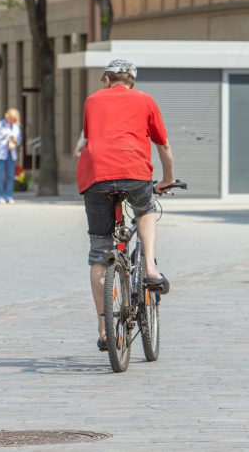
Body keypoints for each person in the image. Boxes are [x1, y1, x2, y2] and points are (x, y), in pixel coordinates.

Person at [77, 59, 175, 352]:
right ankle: (149, 269)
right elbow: (163, 146)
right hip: (134, 172)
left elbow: (91, 138)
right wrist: (167, 179)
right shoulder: (145, 100)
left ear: (106, 79)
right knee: (145, 210)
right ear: (132, 81)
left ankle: (104, 327)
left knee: (99, 251)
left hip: (96, 177)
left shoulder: (92, 101)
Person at [0, 108, 22, 204]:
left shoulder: (16, 127)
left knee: (10, 176)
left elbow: (19, 140)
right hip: (0, 154)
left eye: (14, 119)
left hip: (11, 154)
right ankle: (0, 196)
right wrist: (4, 136)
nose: (12, 120)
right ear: (7, 116)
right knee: (0, 177)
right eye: (11, 118)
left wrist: (15, 140)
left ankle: (8, 196)